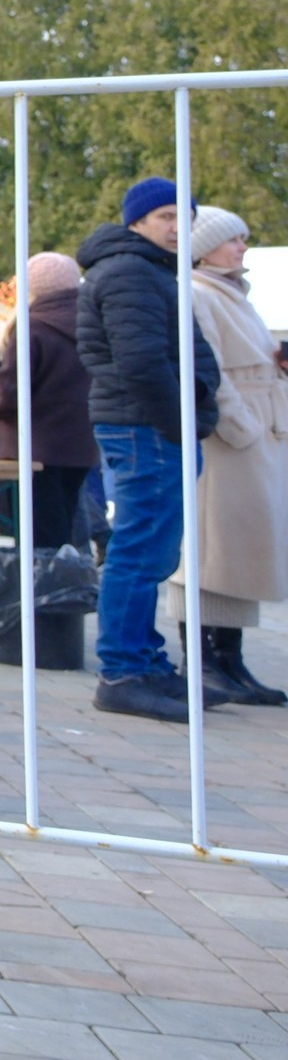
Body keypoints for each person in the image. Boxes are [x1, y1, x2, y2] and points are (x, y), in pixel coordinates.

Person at [79, 177, 229, 722]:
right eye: (165, 216)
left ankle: (142, 661)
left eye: (184, 217)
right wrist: (178, 423)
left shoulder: (148, 270)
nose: (176, 227)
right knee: (139, 552)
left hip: (149, 426)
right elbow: (141, 362)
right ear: (136, 221)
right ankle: (122, 671)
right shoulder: (130, 271)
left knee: (152, 551)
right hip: (146, 427)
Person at [183, 208, 288, 706]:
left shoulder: (232, 293)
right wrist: (240, 426)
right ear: (204, 246)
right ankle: (204, 660)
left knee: (242, 547)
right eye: (233, 239)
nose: (242, 247)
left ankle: (229, 658)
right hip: (232, 439)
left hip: (259, 431)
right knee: (213, 548)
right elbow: (211, 370)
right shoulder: (197, 293)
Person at [0, 251, 93, 550]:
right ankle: (66, 578)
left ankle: (42, 582)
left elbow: (9, 392)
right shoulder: (94, 324)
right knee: (65, 527)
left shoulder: (33, 327)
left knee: (38, 539)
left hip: (34, 446)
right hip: (81, 445)